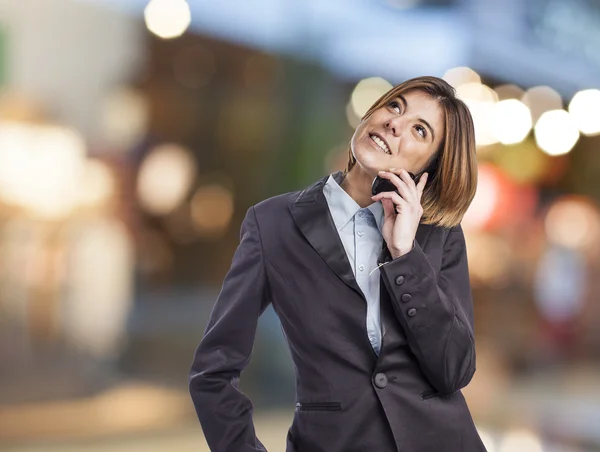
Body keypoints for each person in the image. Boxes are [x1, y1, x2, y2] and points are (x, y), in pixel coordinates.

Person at [189, 76, 487, 452]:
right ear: (370, 114)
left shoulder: (438, 234)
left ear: (429, 166)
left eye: (420, 130)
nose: (395, 123)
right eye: (395, 106)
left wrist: (406, 255)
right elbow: (212, 373)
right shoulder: (273, 224)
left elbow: (454, 371)